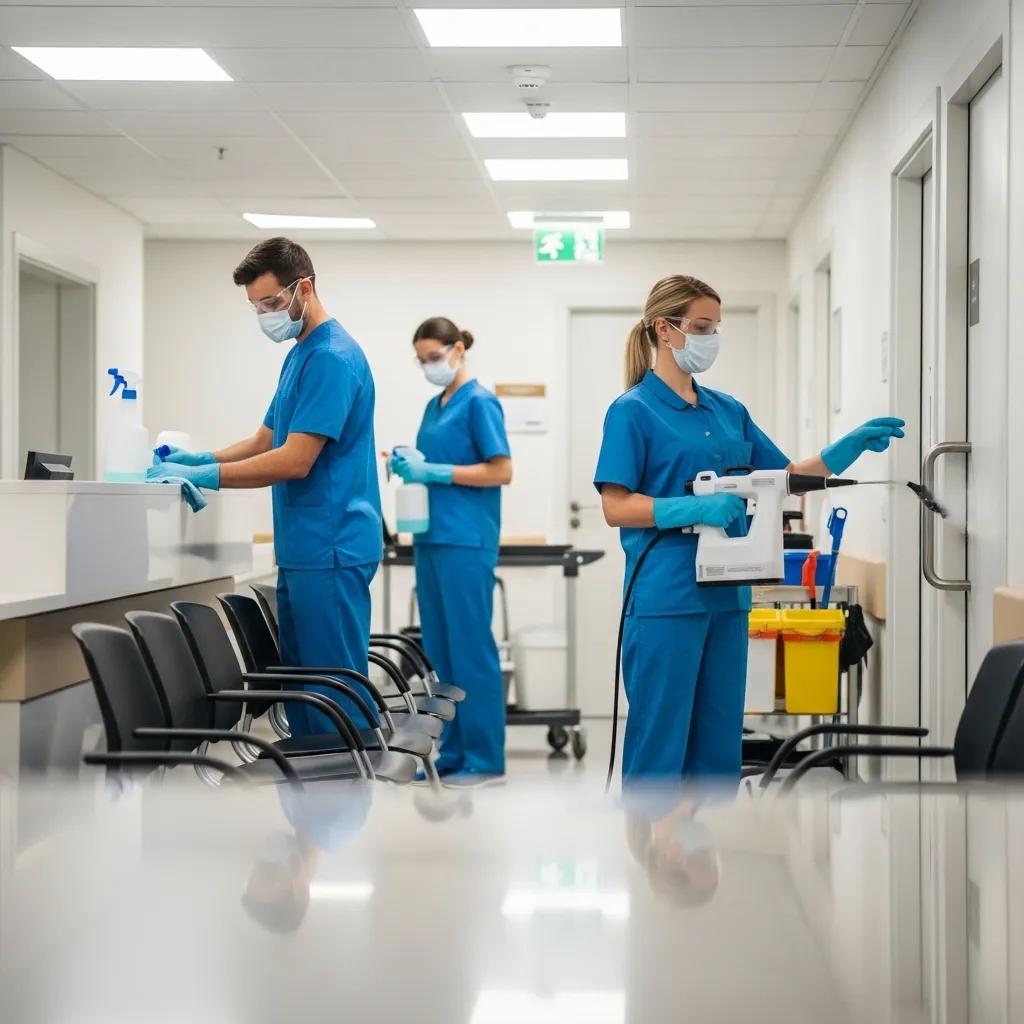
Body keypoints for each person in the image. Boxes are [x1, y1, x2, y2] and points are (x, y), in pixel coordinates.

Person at [595, 275, 904, 783]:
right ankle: (650, 853)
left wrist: (844, 448)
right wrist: (690, 510)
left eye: (715, 327)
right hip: (666, 598)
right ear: (664, 330)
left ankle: (708, 852)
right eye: (700, 326)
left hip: (729, 596)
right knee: (661, 742)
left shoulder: (727, 410)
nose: (709, 337)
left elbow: (784, 479)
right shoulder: (633, 412)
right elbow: (616, 506)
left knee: (719, 745)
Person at [147, 237, 382, 735]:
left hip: (332, 547)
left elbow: (295, 460)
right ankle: (314, 802)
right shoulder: (300, 354)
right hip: (306, 549)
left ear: (306, 288)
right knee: (305, 691)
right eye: (256, 307)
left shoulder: (333, 359)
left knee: (331, 694)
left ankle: (343, 795)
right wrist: (203, 457)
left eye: (273, 303)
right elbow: (266, 438)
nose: (266, 315)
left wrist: (206, 478)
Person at [388, 317, 513, 788]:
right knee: (440, 650)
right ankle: (455, 753)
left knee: (470, 649)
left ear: (458, 349)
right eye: (422, 361)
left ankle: (484, 758)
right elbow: (431, 463)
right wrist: (410, 464)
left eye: (434, 357)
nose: (428, 367)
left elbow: (501, 470)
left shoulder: (480, 402)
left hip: (466, 539)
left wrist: (436, 471)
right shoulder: (433, 405)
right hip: (431, 537)